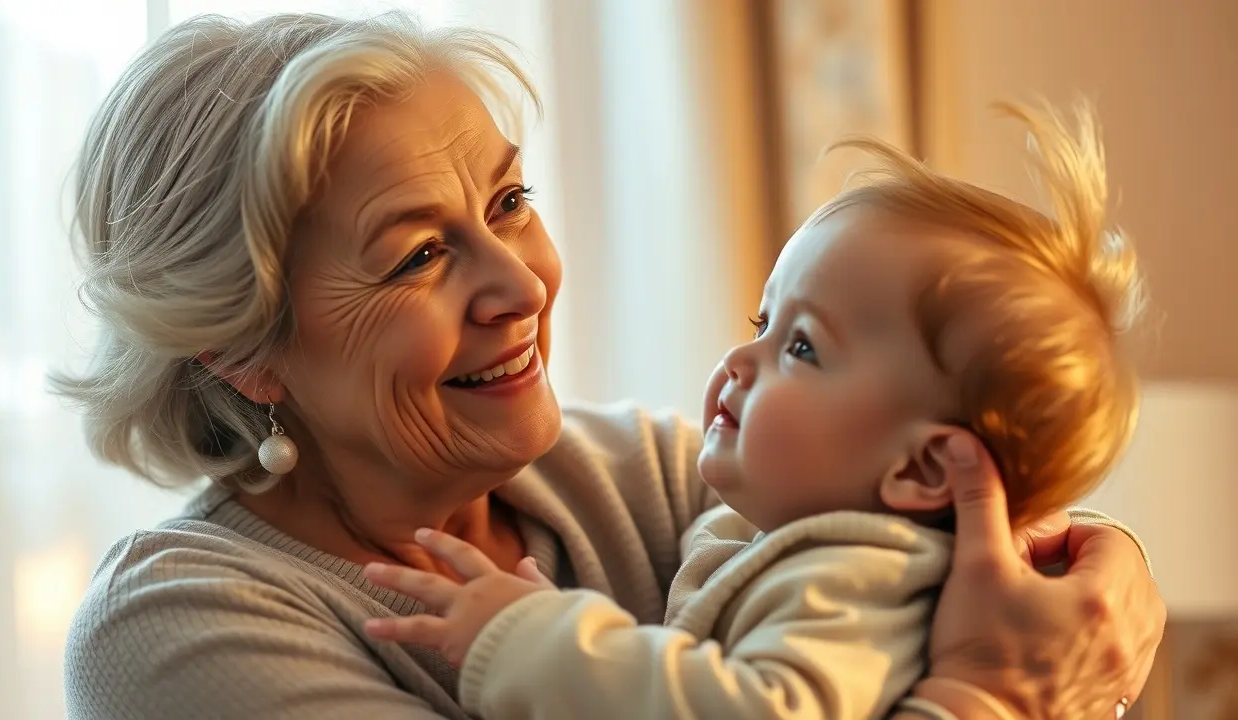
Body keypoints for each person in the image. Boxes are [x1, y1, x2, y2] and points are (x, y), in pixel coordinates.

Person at [56, 12, 1163, 720]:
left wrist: (1086, 556)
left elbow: (934, 532)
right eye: (420, 255)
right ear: (246, 353)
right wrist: (987, 698)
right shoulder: (176, 629)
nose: (523, 283)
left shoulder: (649, 476)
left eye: (508, 202)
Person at [359, 101, 1150, 720]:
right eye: (760, 325)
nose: (740, 362)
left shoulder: (853, 580)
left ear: (921, 468)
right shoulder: (785, 527)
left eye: (801, 348)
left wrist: (534, 638)